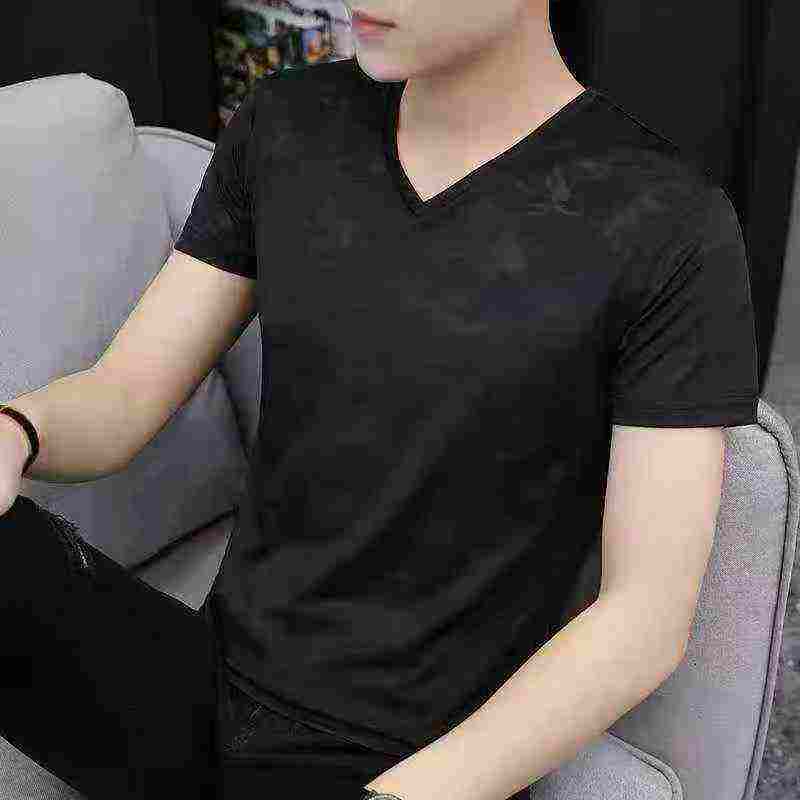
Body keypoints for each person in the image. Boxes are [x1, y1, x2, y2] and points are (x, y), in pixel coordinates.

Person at [0, 1, 759, 799]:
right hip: (205, 686)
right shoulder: (287, 123)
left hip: (399, 763)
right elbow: (125, 393)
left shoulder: (669, 225)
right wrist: (20, 428)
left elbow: (645, 618)